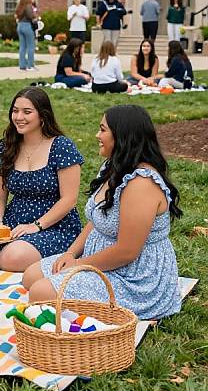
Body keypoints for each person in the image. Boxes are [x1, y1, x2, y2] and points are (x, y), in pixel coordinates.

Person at [23, 105, 182, 320]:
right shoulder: (113, 166)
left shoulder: (141, 183)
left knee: (40, 292)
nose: (97, 135)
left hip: (134, 278)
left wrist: (77, 266)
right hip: (99, 260)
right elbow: (97, 220)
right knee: (30, 276)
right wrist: (70, 254)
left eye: (103, 129)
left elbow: (127, 251)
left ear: (122, 136)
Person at [0, 87, 84, 272]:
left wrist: (36, 226)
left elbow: (69, 200)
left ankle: (6, 258)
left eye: (27, 112)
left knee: (12, 258)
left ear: (43, 116)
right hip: (14, 221)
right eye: (15, 111)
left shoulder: (61, 147)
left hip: (54, 224)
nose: (18, 117)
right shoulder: (6, 147)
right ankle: (3, 256)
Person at [15, 0, 37, 71]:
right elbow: (30, 16)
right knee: (31, 46)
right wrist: (35, 16)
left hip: (20, 26)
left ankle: (22, 66)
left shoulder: (20, 6)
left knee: (22, 47)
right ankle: (30, 65)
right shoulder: (28, 6)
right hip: (27, 26)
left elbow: (17, 16)